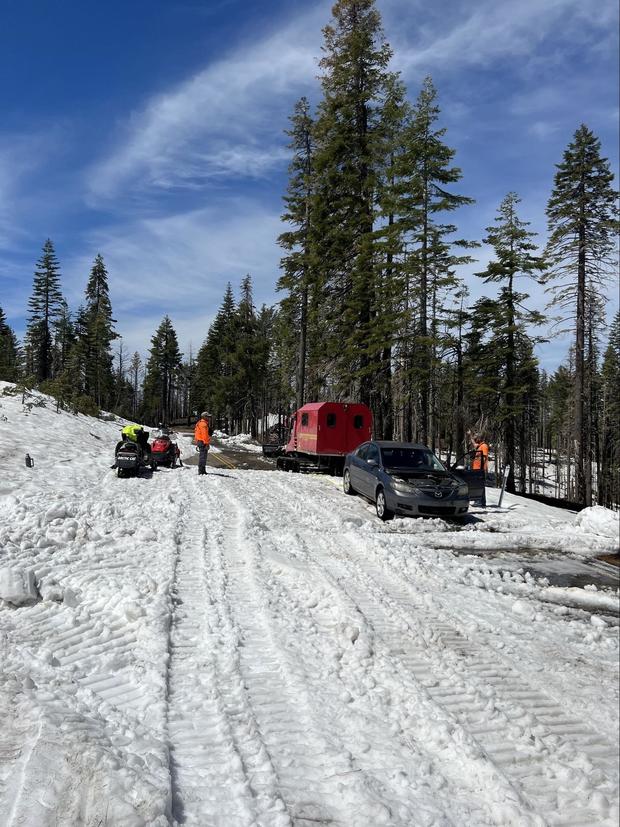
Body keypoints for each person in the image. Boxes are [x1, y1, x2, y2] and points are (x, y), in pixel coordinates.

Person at [467, 430, 489, 506]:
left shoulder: (484, 446)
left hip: (481, 469)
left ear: (480, 438)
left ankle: (482, 502)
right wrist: (470, 435)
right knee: (478, 484)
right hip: (477, 469)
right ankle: (478, 501)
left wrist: (482, 469)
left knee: (481, 485)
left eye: (477, 438)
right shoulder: (479, 446)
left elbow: (484, 457)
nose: (476, 439)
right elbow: (474, 444)